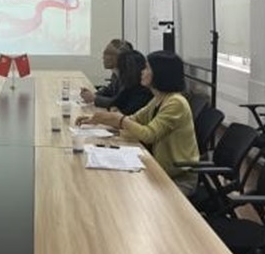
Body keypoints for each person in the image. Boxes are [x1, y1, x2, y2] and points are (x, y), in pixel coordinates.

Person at [77, 51, 198, 195]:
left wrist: (119, 119)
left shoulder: (176, 103)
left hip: (179, 178)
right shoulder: (159, 99)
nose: (142, 71)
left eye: (147, 68)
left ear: (160, 73)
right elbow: (134, 119)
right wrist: (98, 119)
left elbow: (149, 135)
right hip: (161, 170)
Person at [80, 39, 132, 107]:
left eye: (107, 54)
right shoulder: (115, 73)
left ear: (120, 57)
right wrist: (93, 94)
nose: (103, 57)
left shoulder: (129, 77)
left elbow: (118, 103)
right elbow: (109, 90)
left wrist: (94, 98)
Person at [103, 50, 153, 115]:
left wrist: (117, 112)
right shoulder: (128, 87)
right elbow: (114, 104)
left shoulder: (144, 92)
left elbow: (128, 115)